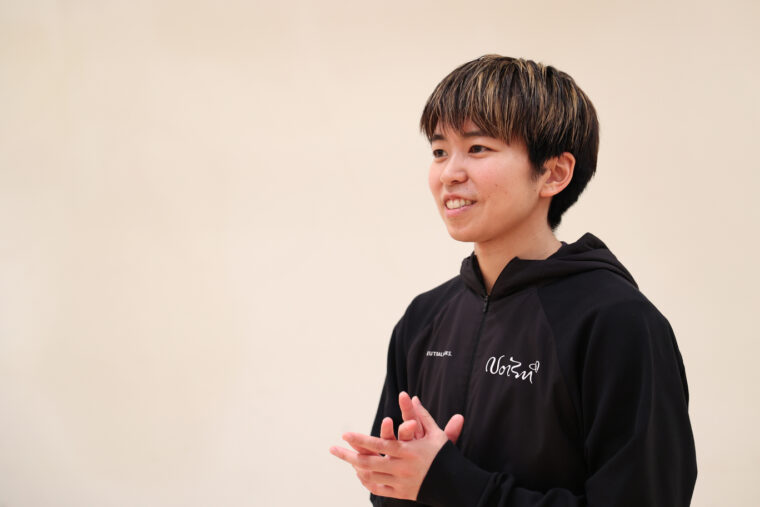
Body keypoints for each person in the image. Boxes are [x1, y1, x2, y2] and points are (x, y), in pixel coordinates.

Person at [329, 55, 697, 506]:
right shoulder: (424, 317)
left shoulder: (619, 323)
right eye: (440, 151)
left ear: (553, 174)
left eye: (477, 148)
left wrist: (450, 483)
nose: (449, 173)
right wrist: (397, 479)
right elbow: (396, 492)